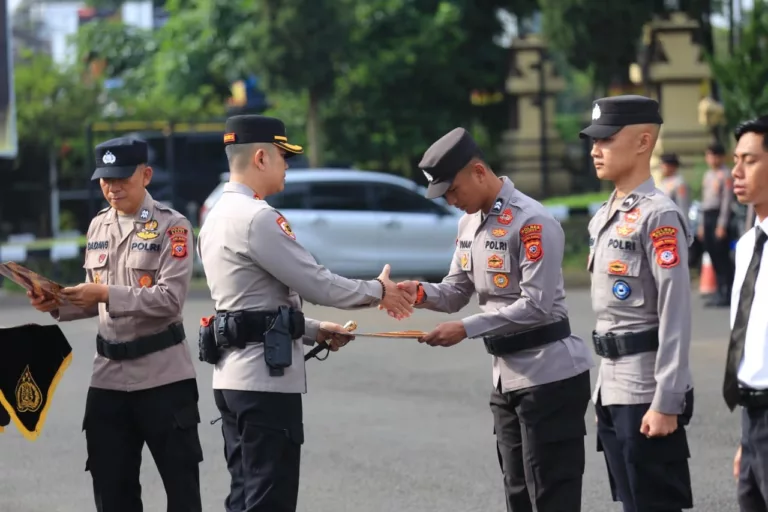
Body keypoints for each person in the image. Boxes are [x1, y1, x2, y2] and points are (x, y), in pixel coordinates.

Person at [197, 114, 415, 512]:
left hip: (232, 379)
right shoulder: (258, 218)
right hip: (264, 383)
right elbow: (317, 283)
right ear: (261, 157)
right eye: (283, 156)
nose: (287, 165)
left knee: (244, 496)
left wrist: (312, 330)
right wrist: (378, 290)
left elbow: (246, 304)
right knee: (268, 501)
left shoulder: (215, 218)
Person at [395, 127, 594, 512]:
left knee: (551, 494)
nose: (451, 200)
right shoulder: (468, 225)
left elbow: (536, 305)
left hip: (548, 376)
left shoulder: (532, 220)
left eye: (453, 190)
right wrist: (416, 292)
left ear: (479, 171)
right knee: (517, 491)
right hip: (506, 378)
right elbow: (455, 291)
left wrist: (466, 328)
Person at [27, 137, 202, 512]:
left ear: (146, 174)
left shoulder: (174, 228)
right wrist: (56, 304)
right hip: (107, 378)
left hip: (163, 379)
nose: (112, 187)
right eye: (105, 179)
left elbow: (169, 300)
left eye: (121, 177)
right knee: (112, 491)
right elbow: (93, 301)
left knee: (182, 490)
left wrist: (104, 293)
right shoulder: (97, 227)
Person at [579, 95, 694, 512]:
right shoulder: (604, 216)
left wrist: (667, 401)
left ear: (644, 141)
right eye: (593, 140)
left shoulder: (659, 216)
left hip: (647, 389)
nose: (595, 149)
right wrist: (601, 394)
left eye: (606, 139)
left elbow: (675, 313)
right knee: (631, 503)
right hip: (613, 389)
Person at [722, 115, 768, 511]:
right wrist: (747, 440)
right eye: (736, 159)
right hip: (754, 418)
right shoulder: (750, 244)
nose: (735, 171)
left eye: (750, 160)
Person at [699, 142, 736, 307]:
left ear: (721, 157)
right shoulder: (708, 175)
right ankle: (718, 290)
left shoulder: (726, 175)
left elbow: (727, 202)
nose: (711, 159)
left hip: (718, 217)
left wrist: (721, 225)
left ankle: (727, 292)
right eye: (709, 155)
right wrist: (701, 224)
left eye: (714, 155)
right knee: (712, 254)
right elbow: (704, 201)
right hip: (707, 216)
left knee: (722, 257)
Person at [659, 153, 691, 219]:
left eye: (663, 165)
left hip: (674, 221)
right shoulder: (664, 182)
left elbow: (683, 206)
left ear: (671, 166)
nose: (661, 167)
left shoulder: (679, 183)